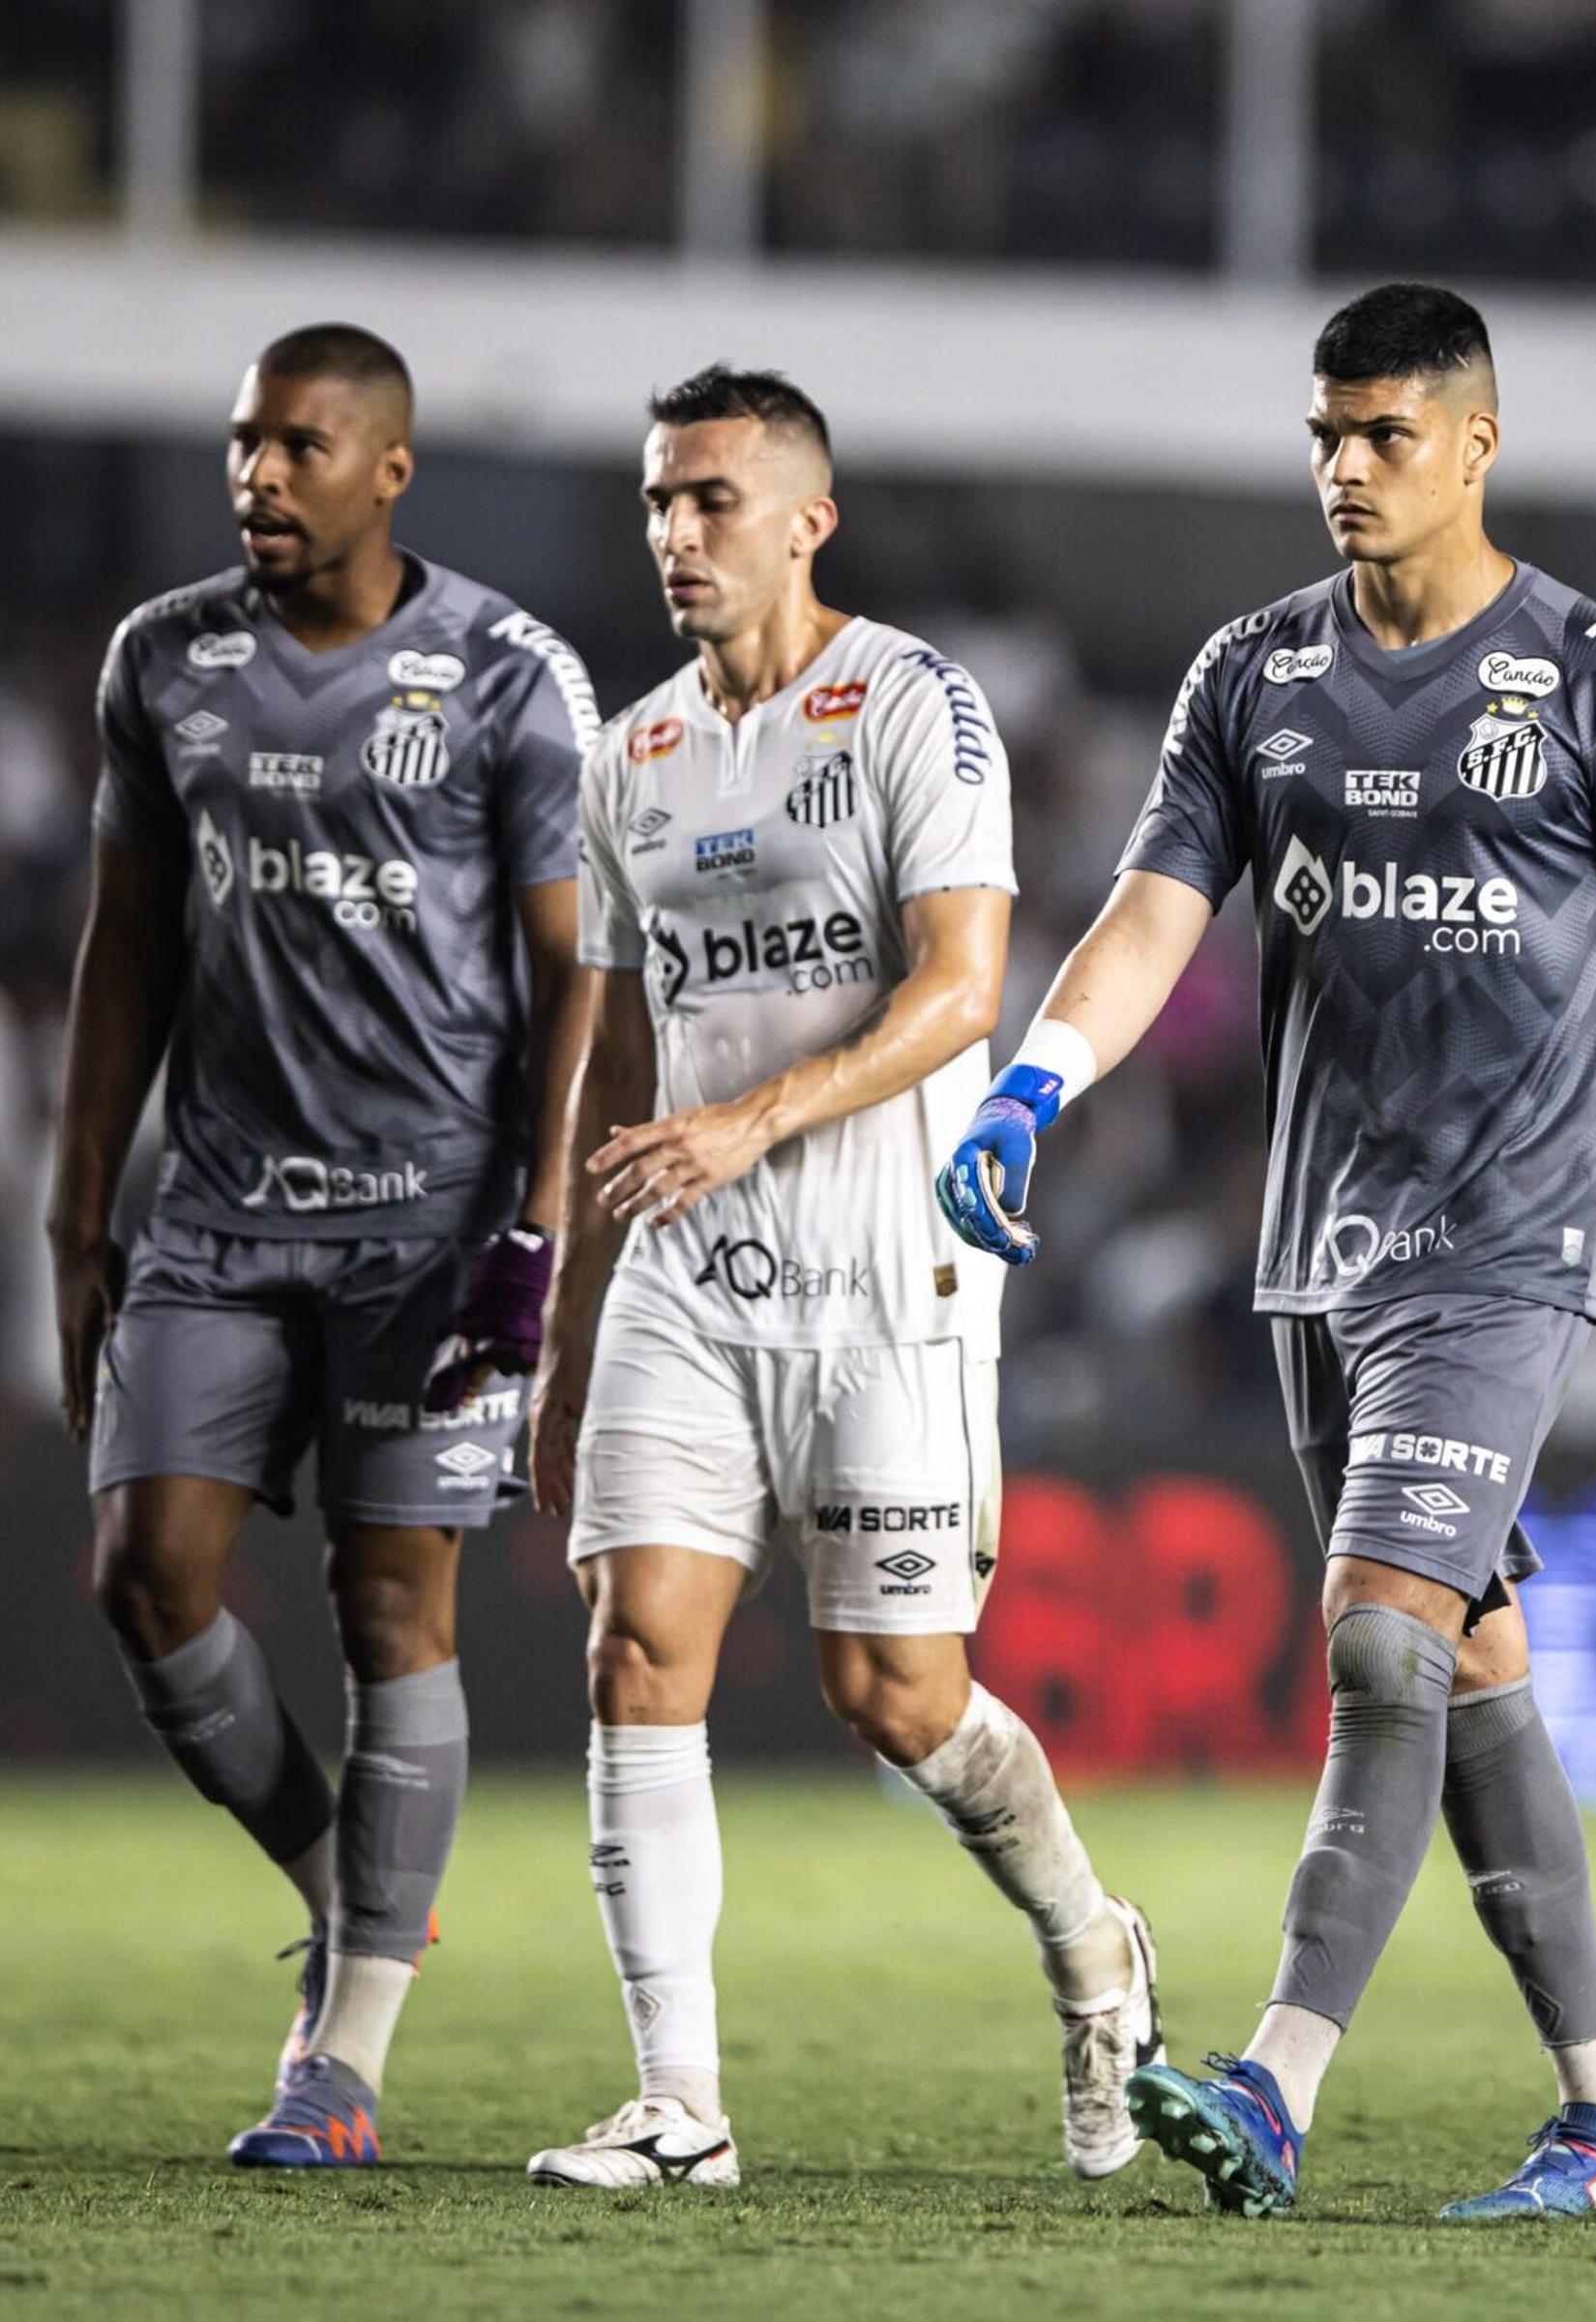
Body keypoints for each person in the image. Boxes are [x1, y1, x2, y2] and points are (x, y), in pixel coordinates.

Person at [935, 282, 1596, 2223]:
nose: (1342, 469)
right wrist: (1031, 1085)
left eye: (1384, 437)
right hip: (1315, 1256)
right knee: (1478, 1686)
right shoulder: (1251, 675)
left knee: (1377, 1651)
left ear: (1475, 446)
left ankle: (1272, 2078)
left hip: (1502, 1250)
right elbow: (1156, 907)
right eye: (1324, 435)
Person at [518, 365, 1156, 2192]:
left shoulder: (913, 706)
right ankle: (680, 2106)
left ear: (809, 517)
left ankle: (1094, 1948)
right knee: (638, 1651)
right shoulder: (628, 755)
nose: (675, 533)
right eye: (657, 501)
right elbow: (623, 1062)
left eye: (712, 499)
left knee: (895, 1699)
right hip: (686, 1277)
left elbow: (965, 986)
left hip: (891, 1272)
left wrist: (764, 1116)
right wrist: (567, 1334)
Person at [49, 324, 600, 2166]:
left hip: (424, 1228)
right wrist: (73, 1207)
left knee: (390, 1610)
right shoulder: (163, 658)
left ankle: (341, 2060)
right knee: (146, 1575)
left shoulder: (511, 676)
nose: (256, 478)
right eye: (240, 446)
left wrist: (542, 1215)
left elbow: (569, 973)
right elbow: (122, 947)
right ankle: (352, 1877)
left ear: (389, 469)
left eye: (296, 448)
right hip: (212, 1211)